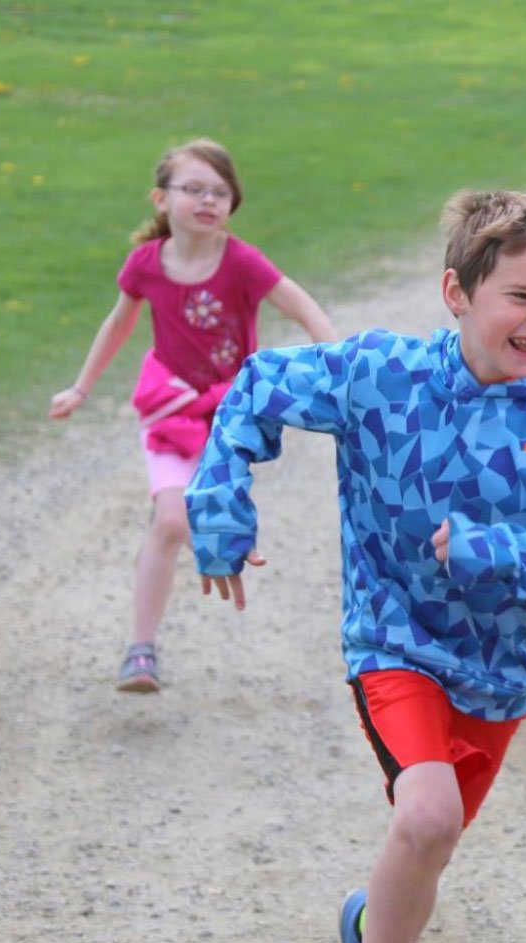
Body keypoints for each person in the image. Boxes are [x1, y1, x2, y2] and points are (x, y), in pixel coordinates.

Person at [185, 190, 526, 943]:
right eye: (520, 296)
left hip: (500, 678)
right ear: (456, 291)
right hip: (392, 640)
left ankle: (371, 919)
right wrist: (219, 506)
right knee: (427, 816)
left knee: (424, 847)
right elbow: (257, 388)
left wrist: (495, 551)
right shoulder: (379, 374)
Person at [47, 137, 335, 692]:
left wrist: (343, 369)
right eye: (194, 189)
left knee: (216, 522)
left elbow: (303, 308)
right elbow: (119, 326)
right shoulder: (146, 265)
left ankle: (225, 540)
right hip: (172, 405)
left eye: (221, 192)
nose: (208, 200)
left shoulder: (243, 262)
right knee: (173, 521)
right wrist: (81, 389)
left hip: (230, 412)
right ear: (160, 198)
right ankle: (140, 649)